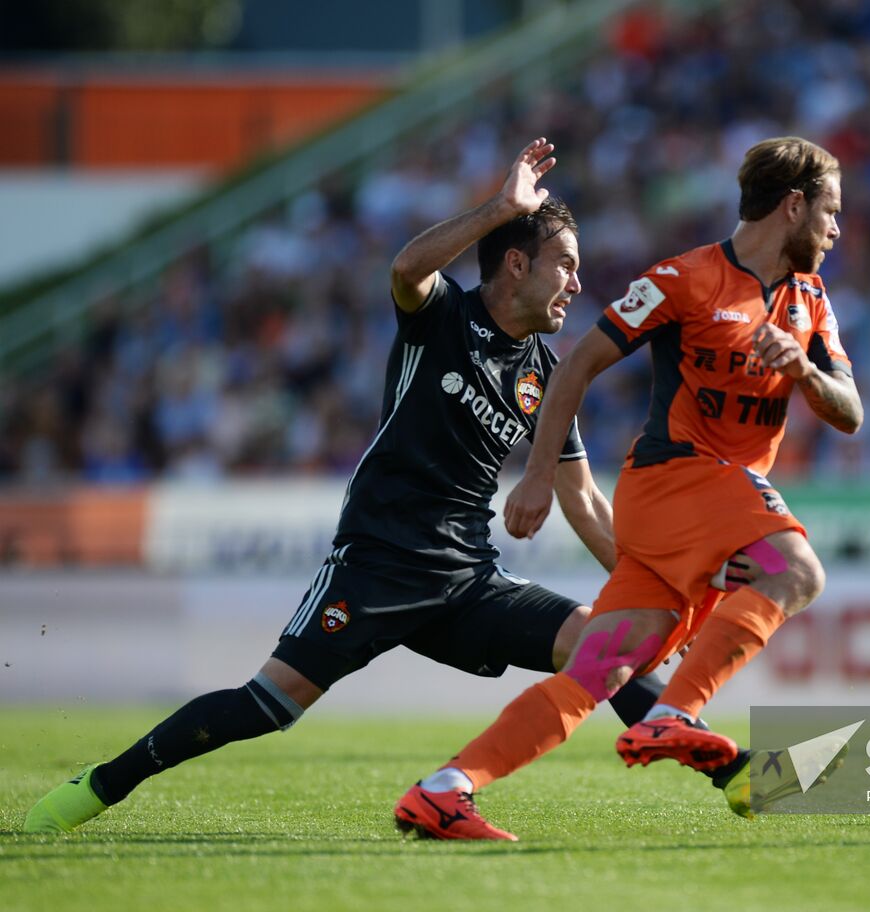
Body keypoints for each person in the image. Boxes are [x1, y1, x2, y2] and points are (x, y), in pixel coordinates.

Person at [23, 139, 762, 837]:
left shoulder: (547, 372)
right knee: (269, 704)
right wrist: (499, 205)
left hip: (467, 579)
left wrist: (655, 586)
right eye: (563, 263)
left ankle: (733, 773)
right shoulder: (443, 319)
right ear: (514, 264)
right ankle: (100, 786)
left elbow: (584, 501)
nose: (576, 281)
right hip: (376, 563)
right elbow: (408, 268)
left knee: (600, 643)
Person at [391, 136, 863, 841]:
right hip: (676, 477)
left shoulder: (811, 301)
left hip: (703, 506)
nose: (836, 229)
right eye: (829, 211)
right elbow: (577, 363)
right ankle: (677, 714)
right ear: (793, 206)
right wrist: (540, 473)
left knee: (596, 673)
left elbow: (849, 412)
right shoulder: (684, 278)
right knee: (797, 570)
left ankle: (444, 788)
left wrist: (802, 370)